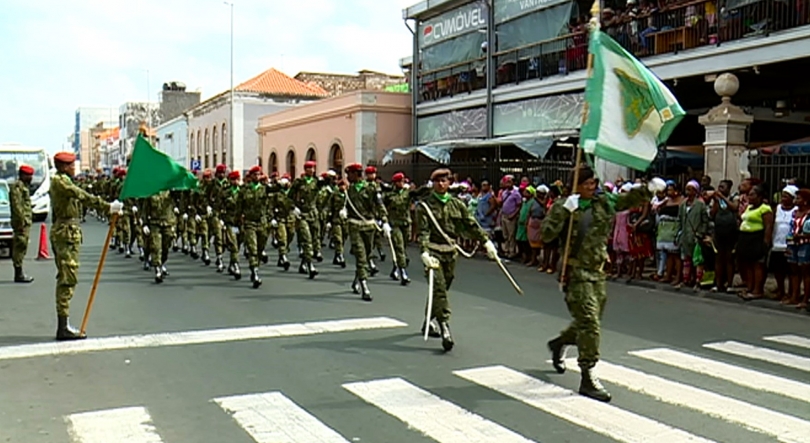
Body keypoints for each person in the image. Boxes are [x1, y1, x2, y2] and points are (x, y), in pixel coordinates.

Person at [543, 165, 664, 402]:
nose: (592, 187)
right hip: (575, 273)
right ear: (576, 185)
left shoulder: (603, 202)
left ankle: (560, 342)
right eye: (587, 183)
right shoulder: (565, 205)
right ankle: (587, 375)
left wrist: (648, 189)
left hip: (598, 273)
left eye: (594, 183)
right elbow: (546, 235)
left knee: (588, 322)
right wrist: (564, 211)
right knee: (589, 324)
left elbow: (626, 200)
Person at [417, 168, 498, 352]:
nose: (440, 184)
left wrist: (486, 242)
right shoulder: (425, 206)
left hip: (451, 253)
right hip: (434, 253)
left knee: (443, 288)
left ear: (449, 183)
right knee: (439, 289)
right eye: (437, 181)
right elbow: (423, 232)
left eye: (444, 180)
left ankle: (428, 319)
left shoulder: (456, 204)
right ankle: (445, 327)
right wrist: (424, 252)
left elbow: (470, 224)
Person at [49, 151, 122, 340]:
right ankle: (62, 328)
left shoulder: (63, 180)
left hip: (67, 231)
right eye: (72, 165)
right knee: (67, 278)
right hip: (65, 232)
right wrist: (106, 206)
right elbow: (80, 195)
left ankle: (63, 325)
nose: (74, 168)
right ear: (64, 167)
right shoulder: (60, 181)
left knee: (68, 277)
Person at [344, 163, 391, 301]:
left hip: (369, 226)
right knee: (360, 255)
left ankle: (356, 280)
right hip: (354, 226)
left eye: (349, 174)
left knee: (367, 254)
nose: (347, 177)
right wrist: (344, 210)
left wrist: (385, 221)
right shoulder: (350, 189)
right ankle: (364, 285)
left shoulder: (371, 188)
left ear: (356, 174)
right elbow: (347, 205)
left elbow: (379, 204)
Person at [10, 164, 35, 283]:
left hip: (25, 222)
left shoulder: (23, 187)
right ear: (23, 175)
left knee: (22, 246)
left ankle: (19, 272)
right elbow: (17, 206)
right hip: (21, 223)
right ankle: (18, 274)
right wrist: (21, 222)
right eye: (29, 176)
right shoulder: (17, 187)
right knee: (20, 246)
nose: (31, 178)